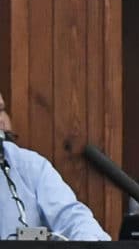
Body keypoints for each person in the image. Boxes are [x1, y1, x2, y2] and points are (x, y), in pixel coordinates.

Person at [0, 91, 110, 241]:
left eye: (1, 110)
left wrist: (90, 247)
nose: (2, 121)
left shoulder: (29, 166)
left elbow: (72, 217)